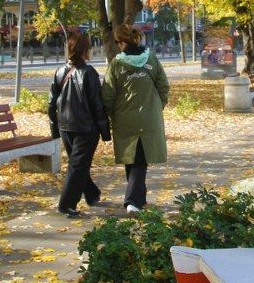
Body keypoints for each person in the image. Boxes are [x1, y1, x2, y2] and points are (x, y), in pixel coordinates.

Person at [101, 24, 170, 213]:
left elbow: (107, 94)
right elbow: (163, 86)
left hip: (125, 119)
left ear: (123, 42)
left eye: (117, 42)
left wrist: (113, 113)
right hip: (149, 118)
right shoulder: (152, 59)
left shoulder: (116, 64)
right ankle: (135, 200)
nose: (117, 46)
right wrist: (156, 106)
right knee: (140, 158)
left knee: (133, 158)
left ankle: (135, 200)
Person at [48, 33, 111, 218]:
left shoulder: (60, 72)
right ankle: (66, 204)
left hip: (66, 126)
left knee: (78, 165)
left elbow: (51, 103)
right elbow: (97, 105)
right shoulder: (89, 73)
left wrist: (55, 129)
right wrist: (105, 131)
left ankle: (92, 194)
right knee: (77, 166)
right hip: (85, 129)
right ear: (85, 50)